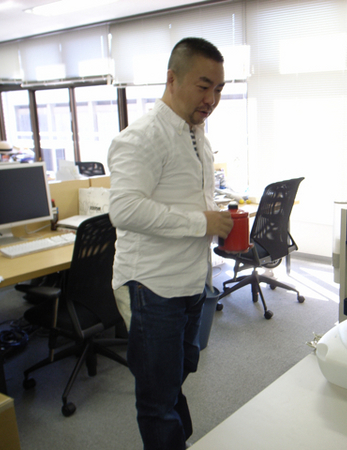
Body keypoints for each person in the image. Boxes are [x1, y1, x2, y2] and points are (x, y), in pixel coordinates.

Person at [107, 37, 234, 450]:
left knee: (177, 373)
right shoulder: (142, 137)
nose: (211, 99)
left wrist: (214, 218)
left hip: (190, 281)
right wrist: (202, 222)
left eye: (219, 89)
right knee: (158, 398)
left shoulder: (198, 135)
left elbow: (187, 200)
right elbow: (124, 210)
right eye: (203, 86)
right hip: (153, 286)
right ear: (172, 79)